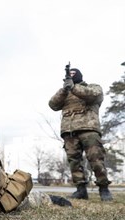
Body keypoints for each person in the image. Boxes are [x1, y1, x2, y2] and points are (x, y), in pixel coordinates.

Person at [49, 67, 112, 201]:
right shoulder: (65, 93)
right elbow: (53, 104)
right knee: (74, 162)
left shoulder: (92, 87)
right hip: (69, 131)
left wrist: (74, 88)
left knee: (96, 160)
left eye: (73, 75)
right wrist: (64, 89)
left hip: (89, 129)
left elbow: (94, 95)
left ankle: (103, 188)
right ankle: (81, 190)